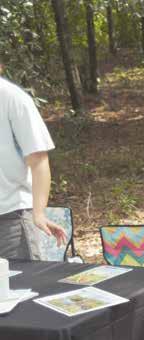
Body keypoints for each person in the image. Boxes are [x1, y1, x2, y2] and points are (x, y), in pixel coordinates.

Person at [0, 69, 66, 259]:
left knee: (22, 278)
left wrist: (38, 214)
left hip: (11, 218)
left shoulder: (13, 99)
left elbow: (38, 160)